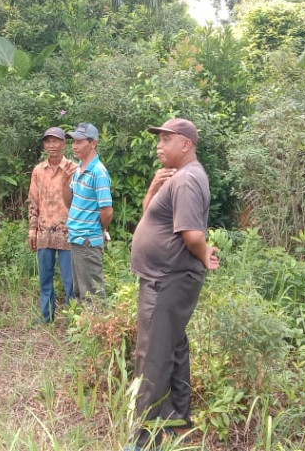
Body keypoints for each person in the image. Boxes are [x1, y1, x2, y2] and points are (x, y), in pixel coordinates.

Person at [127, 118, 220, 450]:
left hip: (166, 281)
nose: (159, 144)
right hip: (164, 279)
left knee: (152, 356)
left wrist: (202, 253)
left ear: (187, 144)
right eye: (159, 139)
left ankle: (142, 439)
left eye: (166, 139)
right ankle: (177, 420)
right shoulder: (178, 178)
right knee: (173, 348)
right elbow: (152, 216)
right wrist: (153, 188)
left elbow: (192, 234)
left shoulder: (186, 180)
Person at [28, 126, 77, 323]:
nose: (52, 145)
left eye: (56, 141)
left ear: (64, 144)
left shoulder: (73, 168)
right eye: (48, 141)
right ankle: (46, 317)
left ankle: (72, 319)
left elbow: (78, 200)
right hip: (44, 232)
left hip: (67, 232)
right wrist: (32, 230)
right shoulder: (39, 170)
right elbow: (33, 201)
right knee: (45, 279)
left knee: (70, 280)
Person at [65, 122, 113, 302]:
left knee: (93, 295)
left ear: (93, 143)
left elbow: (107, 210)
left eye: (80, 141)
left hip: (87, 240)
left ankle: (96, 328)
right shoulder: (78, 168)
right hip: (76, 237)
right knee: (80, 291)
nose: (74, 146)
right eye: (73, 141)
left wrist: (99, 230)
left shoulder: (98, 172)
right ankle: (85, 328)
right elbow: (70, 200)